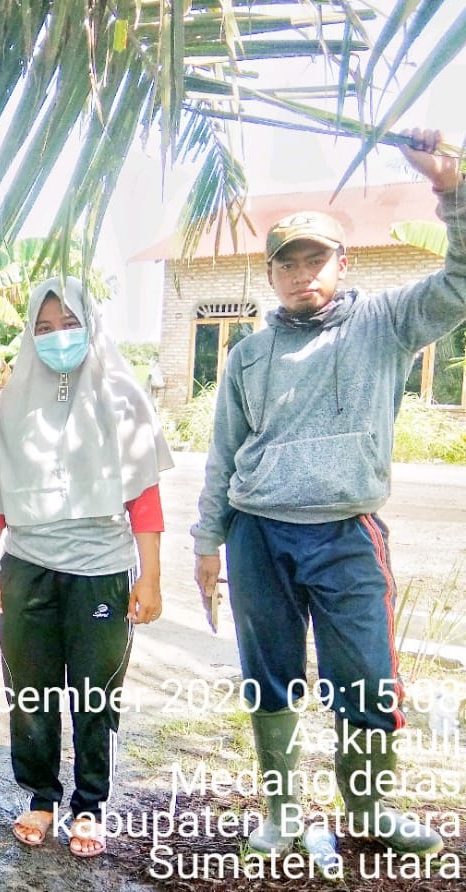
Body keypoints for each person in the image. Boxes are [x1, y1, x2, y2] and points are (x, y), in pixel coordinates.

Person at [193, 128, 464, 861]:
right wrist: (207, 542)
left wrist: (450, 190)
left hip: (346, 533)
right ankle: (282, 814)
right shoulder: (248, 355)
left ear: (342, 264)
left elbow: (460, 283)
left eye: (317, 257)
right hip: (258, 535)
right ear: (271, 273)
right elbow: (223, 453)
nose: (303, 271)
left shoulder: (386, 323)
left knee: (369, 678)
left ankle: (369, 809)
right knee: (270, 676)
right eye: (289, 261)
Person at [0, 277, 172, 857]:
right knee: (28, 691)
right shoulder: (11, 402)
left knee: (95, 692)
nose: (58, 338)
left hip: (101, 568)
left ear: (93, 325)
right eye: (45, 328)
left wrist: (150, 576)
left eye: (70, 324)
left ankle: (89, 803)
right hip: (27, 565)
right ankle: (39, 796)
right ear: (30, 335)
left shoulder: (124, 396)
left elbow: (145, 497)